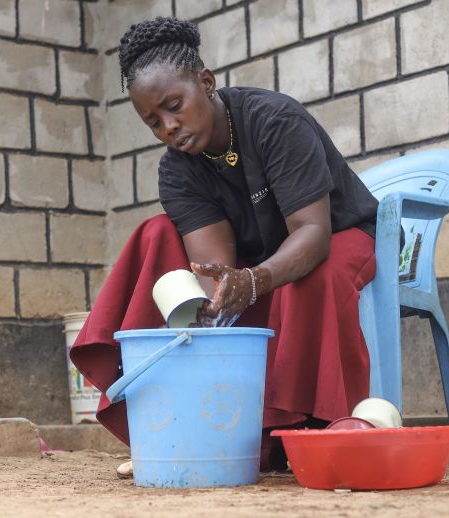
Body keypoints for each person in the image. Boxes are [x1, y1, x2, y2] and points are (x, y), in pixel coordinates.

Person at [70, 16, 379, 474]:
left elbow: (312, 236)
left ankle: (316, 431)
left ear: (206, 82)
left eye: (174, 106)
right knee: (155, 233)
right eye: (153, 121)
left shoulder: (274, 121)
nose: (168, 127)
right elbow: (214, 264)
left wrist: (254, 281)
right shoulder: (177, 169)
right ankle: (176, 421)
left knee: (315, 276)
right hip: (259, 262)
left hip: (337, 238)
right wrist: (211, 301)